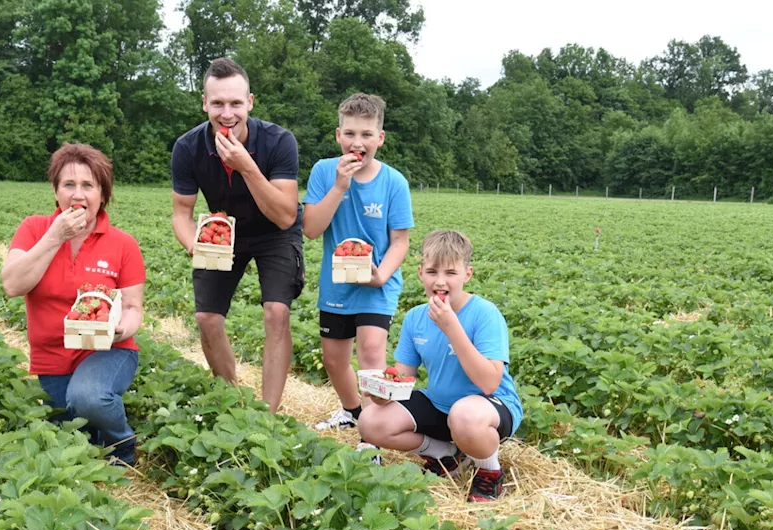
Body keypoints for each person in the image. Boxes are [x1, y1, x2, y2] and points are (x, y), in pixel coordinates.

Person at [170, 57, 303, 411]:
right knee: (207, 318)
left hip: (275, 231)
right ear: (204, 104)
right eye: (217, 104)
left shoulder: (278, 142)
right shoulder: (188, 147)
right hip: (223, 230)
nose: (226, 113)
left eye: (235, 103)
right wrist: (194, 246)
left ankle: (267, 415)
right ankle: (232, 400)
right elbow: (181, 213)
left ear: (250, 102)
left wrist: (246, 166)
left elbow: (285, 214)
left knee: (277, 312)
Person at [1, 143, 145, 466]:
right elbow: (12, 284)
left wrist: (119, 329)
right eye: (69, 184)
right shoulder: (34, 229)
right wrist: (55, 236)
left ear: (103, 195)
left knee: (87, 398)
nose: (77, 195)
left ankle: (122, 443)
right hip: (52, 359)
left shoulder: (123, 244)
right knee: (72, 433)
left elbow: (134, 307)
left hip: (108, 352)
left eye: (88, 185)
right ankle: (100, 427)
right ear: (55, 191)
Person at [358, 230, 524, 502]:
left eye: (451, 273)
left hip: (487, 407)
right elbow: (403, 378)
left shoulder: (484, 314)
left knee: (464, 414)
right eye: (432, 272)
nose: (440, 281)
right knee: (371, 421)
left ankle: (489, 472)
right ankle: (445, 453)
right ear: (420, 272)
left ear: (467, 274)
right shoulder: (415, 318)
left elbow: (489, 382)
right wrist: (382, 392)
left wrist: (451, 327)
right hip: (439, 406)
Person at [302, 93, 412, 434]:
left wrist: (382, 276)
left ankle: (373, 435)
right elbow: (310, 229)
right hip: (338, 282)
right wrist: (339, 185)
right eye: (350, 133)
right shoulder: (324, 171)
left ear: (380, 138)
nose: (357, 142)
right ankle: (353, 412)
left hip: (377, 284)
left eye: (366, 134)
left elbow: (400, 242)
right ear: (338, 136)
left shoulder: (394, 182)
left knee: (371, 353)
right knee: (335, 361)